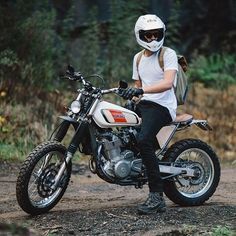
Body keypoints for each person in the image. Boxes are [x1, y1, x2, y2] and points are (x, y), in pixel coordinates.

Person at [120, 14, 178, 214]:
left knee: (144, 140)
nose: (153, 39)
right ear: (140, 36)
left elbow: (167, 83)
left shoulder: (168, 54)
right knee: (119, 128)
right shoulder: (137, 58)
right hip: (146, 103)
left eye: (157, 35)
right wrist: (131, 95)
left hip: (163, 106)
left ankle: (157, 197)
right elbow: (138, 87)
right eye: (148, 36)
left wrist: (141, 91)